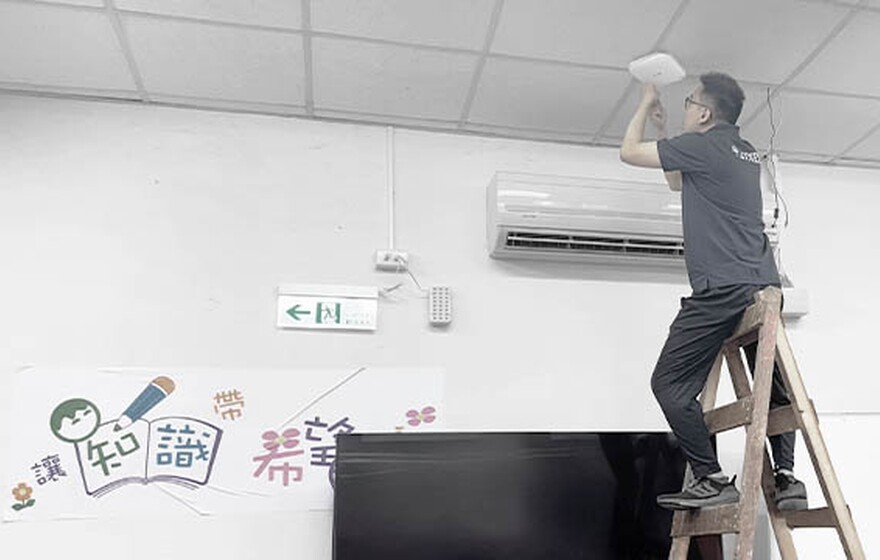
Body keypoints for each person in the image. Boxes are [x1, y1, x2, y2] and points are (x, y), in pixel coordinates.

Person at [619, 72, 808, 511]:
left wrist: (646, 104)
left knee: (668, 384)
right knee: (774, 385)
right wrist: (667, 129)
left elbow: (628, 152)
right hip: (763, 283)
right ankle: (788, 479)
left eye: (688, 102)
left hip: (722, 287)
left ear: (704, 113)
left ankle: (712, 477)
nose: (685, 107)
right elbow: (676, 180)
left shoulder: (704, 145)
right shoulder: (744, 153)